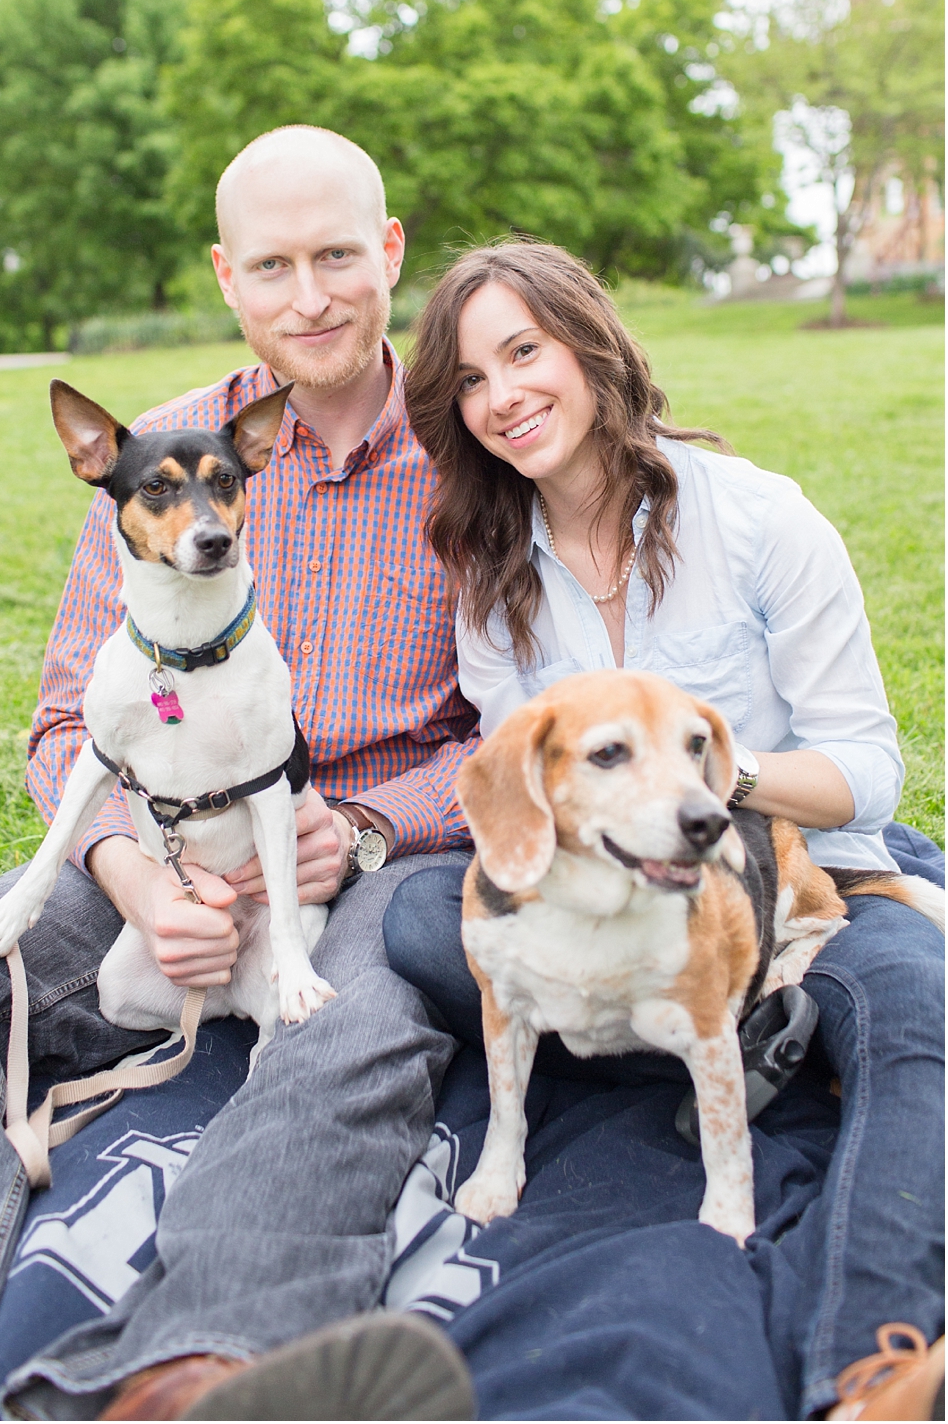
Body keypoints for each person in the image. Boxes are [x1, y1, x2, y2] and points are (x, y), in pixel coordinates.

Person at [0, 126, 477, 1420]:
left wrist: (359, 825)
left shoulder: (475, 461)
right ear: (227, 275)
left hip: (363, 857)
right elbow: (67, 721)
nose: (310, 295)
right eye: (274, 263)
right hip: (161, 830)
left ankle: (194, 1364)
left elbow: (513, 734)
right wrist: (127, 871)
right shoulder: (160, 455)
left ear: (391, 250)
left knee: (341, 1029)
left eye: (339, 256)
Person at [380, 238, 943, 1420]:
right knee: (422, 923)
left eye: (522, 352)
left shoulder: (755, 520)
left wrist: (704, 796)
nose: (502, 397)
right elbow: (509, 799)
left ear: (588, 344)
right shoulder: (489, 572)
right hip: (592, 898)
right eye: (469, 381)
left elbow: (865, 771)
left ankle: (871, 1354)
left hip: (800, 878)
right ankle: (736, 1035)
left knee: (914, 1010)